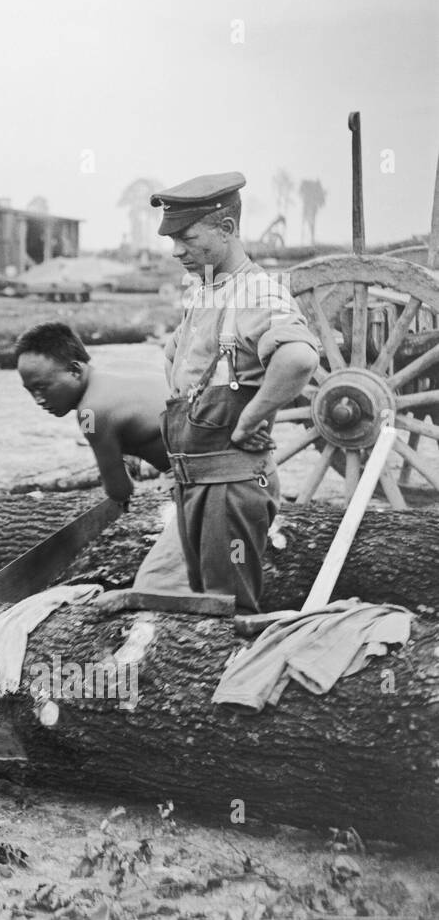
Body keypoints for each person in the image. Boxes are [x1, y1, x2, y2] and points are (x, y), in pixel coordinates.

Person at [151, 172, 320, 613]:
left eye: (187, 238)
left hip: (231, 485)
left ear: (226, 230)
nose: (177, 251)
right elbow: (175, 357)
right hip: (197, 483)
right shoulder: (207, 290)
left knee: (227, 613)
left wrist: (252, 417)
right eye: (172, 240)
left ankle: (234, 678)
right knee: (204, 606)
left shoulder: (257, 291)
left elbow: (299, 358)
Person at [16, 321, 169, 507]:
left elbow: (120, 491)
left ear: (74, 370)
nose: (38, 400)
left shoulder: (89, 414)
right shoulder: (116, 368)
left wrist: (115, 479)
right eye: (31, 391)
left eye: (42, 388)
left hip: (201, 470)